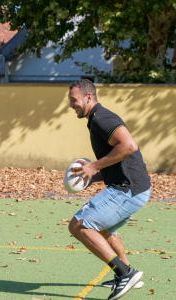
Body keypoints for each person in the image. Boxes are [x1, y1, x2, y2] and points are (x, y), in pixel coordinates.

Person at [68, 79, 151, 300]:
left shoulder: (101, 119)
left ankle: (125, 273)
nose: (71, 105)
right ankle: (129, 275)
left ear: (88, 97)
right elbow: (118, 160)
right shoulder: (97, 119)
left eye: (73, 100)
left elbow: (129, 147)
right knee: (105, 232)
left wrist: (94, 165)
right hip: (135, 187)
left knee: (78, 226)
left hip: (128, 190)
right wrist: (92, 176)